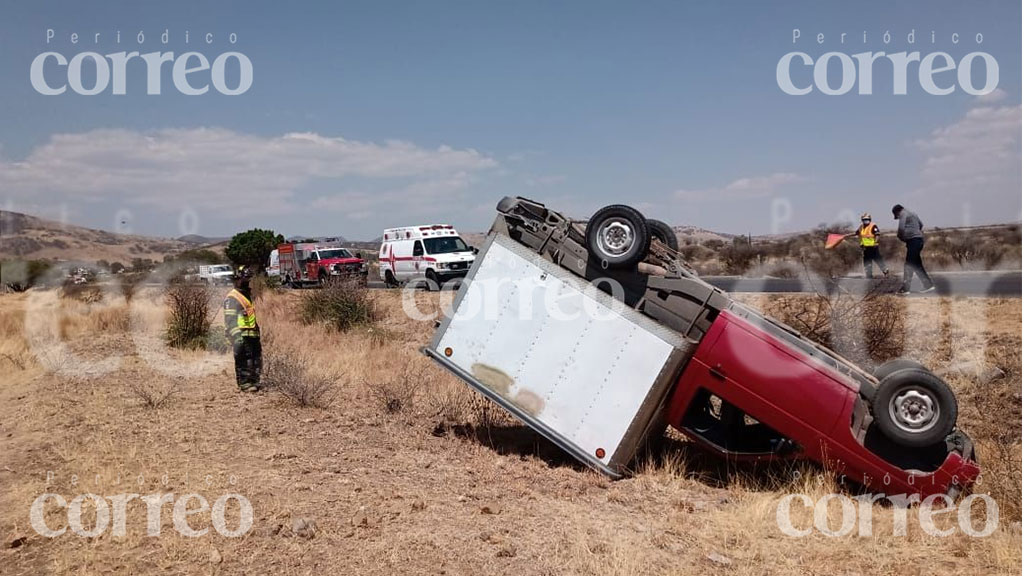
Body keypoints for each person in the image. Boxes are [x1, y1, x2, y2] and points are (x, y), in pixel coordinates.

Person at [224, 266, 262, 391]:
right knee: (243, 359)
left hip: (251, 334)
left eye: (248, 280)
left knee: (255, 359)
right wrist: (236, 336)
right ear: (237, 279)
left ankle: (254, 381)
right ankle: (245, 383)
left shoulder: (246, 295)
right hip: (241, 334)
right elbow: (230, 320)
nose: (247, 283)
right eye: (245, 280)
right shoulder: (233, 297)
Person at [892, 204, 934, 295]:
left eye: (897, 216)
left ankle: (905, 289)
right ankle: (928, 285)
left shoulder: (903, 214)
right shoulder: (913, 213)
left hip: (913, 241)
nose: (898, 218)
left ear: (897, 212)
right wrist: (916, 232)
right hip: (919, 240)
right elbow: (921, 224)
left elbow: (901, 228)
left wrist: (901, 237)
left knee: (909, 264)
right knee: (917, 264)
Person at [856, 212, 888, 279]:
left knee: (878, 259)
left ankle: (885, 271)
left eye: (867, 219)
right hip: (865, 247)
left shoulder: (873, 226)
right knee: (867, 261)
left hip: (873, 247)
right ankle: (869, 275)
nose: (866, 220)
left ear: (870, 219)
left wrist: (875, 242)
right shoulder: (861, 227)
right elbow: (857, 233)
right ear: (862, 220)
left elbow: (877, 234)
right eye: (864, 219)